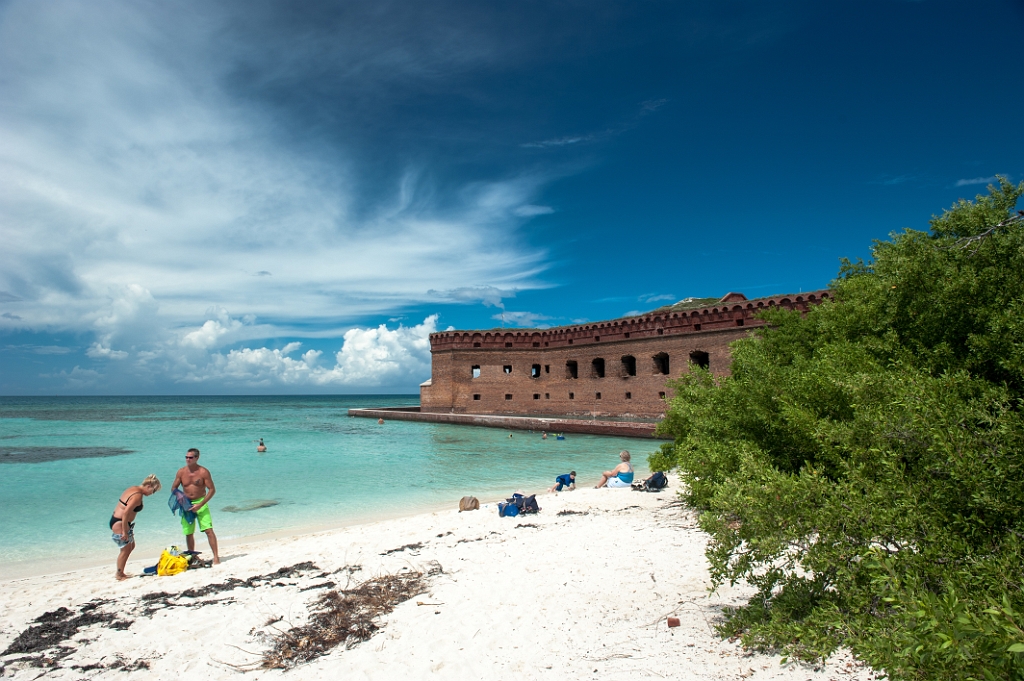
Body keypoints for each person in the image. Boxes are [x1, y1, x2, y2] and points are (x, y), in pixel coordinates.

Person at [172, 448, 220, 564]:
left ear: (197, 458)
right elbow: (174, 488)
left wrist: (200, 504)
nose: (188, 459)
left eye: (190, 457)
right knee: (189, 532)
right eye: (186, 457)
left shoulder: (203, 472)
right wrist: (180, 497)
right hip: (187, 504)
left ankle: (216, 556)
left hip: (201, 502)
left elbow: (212, 490)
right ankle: (192, 556)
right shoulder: (181, 472)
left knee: (208, 530)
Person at [110, 474, 161, 581]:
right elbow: (125, 513)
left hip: (122, 522)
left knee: (131, 546)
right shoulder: (137, 495)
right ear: (148, 486)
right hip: (120, 523)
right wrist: (124, 530)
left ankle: (121, 572)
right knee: (125, 549)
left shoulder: (134, 489)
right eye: (154, 491)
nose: (152, 494)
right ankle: (119, 574)